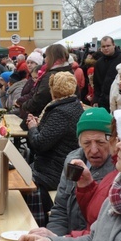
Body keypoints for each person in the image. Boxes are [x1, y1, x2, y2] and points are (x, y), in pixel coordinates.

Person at [31, 107, 116, 238]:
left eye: (100, 142)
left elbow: (103, 233)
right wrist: (52, 239)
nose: (94, 150)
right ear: (79, 143)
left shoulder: (118, 171)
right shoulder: (73, 161)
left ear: (112, 141)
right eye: (87, 143)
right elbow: (60, 209)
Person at [24, 72, 84, 226]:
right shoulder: (73, 105)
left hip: (52, 172)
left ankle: (33, 224)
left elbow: (39, 144)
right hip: (59, 166)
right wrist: (39, 127)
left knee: (22, 180)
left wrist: (33, 128)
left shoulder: (60, 112)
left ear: (53, 89)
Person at [19, 44, 74, 123]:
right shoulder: (69, 71)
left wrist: (25, 105)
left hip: (48, 116)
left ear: (52, 57)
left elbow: (41, 97)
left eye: (47, 56)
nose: (45, 59)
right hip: (63, 115)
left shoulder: (50, 74)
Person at [92, 36, 121, 111]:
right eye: (103, 46)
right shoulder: (98, 63)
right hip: (103, 101)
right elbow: (96, 83)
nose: (106, 48)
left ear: (114, 45)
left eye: (108, 46)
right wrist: (96, 99)